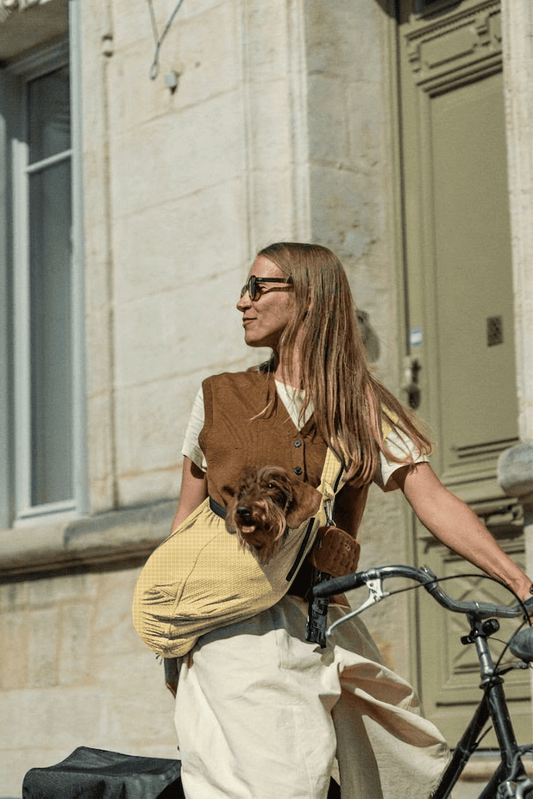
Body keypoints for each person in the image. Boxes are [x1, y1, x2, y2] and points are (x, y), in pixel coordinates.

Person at [170, 242, 532, 799]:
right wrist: (171, 635)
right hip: (234, 625)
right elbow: (183, 522)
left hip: (324, 620)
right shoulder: (218, 397)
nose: (242, 301)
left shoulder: (359, 404)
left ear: (308, 300)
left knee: (404, 767)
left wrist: (521, 584)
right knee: (284, 781)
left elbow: (433, 500)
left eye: (258, 287)